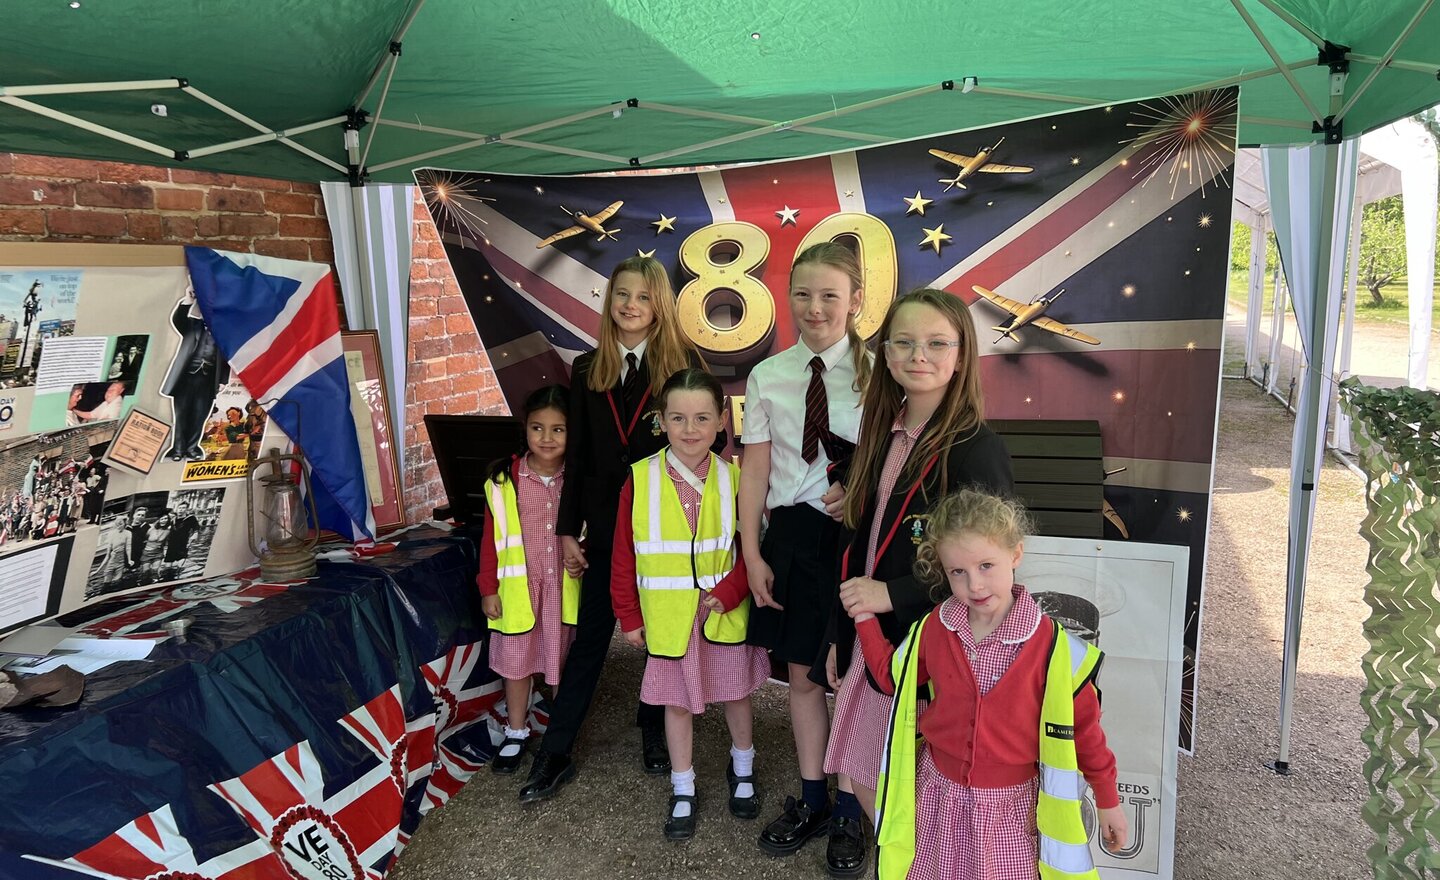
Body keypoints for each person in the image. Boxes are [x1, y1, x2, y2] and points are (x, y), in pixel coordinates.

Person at [817, 288, 1015, 877]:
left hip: (929, 644)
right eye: (902, 342)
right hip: (873, 638)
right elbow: (860, 540)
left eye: (936, 343)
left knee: (911, 782)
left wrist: (894, 594)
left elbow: (991, 566)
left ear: (960, 355)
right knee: (868, 773)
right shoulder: (885, 429)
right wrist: (842, 633)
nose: (917, 354)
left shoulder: (976, 447)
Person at [851, 489, 1127, 879]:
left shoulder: (1054, 648)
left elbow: (1086, 731)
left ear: (1015, 554)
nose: (975, 586)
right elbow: (889, 676)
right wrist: (864, 617)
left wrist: (1108, 799)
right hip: (937, 798)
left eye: (986, 565)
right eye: (957, 572)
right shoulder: (935, 627)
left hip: (1010, 813)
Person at [520, 256, 713, 804]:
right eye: (622, 295)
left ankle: (652, 724)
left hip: (664, 528)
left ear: (661, 306)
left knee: (662, 636)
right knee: (588, 643)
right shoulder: (587, 368)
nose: (631, 305)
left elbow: (707, 445)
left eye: (643, 297)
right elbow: (576, 457)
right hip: (605, 530)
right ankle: (554, 752)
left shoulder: (683, 365)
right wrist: (565, 531)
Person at [741, 242, 872, 863]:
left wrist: (864, 495)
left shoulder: (881, 375)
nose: (814, 308)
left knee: (849, 672)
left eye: (829, 295)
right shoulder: (768, 375)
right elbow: (756, 470)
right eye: (802, 294)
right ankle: (814, 794)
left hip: (853, 539)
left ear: (856, 301)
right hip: (791, 534)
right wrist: (752, 551)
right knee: (800, 672)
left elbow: (898, 461)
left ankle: (852, 810)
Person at [611, 368, 769, 840]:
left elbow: (752, 549)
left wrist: (731, 592)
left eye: (702, 417)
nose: (691, 429)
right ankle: (683, 785)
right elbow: (625, 554)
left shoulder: (737, 477)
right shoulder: (639, 480)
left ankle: (743, 766)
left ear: (722, 420)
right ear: (661, 421)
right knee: (676, 704)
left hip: (724, 615)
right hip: (668, 620)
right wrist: (629, 614)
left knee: (735, 693)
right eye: (678, 418)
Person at [477, 385, 580, 775]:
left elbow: (588, 532)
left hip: (561, 591)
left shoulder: (577, 478)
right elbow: (491, 541)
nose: (547, 438)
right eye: (538, 428)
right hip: (518, 591)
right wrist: (488, 588)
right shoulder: (505, 480)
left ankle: (558, 736)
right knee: (517, 665)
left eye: (558, 429)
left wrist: (580, 557)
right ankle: (516, 731)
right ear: (525, 429)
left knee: (561, 662)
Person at [162, 292, 231, 461]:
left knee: (200, 415)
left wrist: (222, 381)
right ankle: (178, 449)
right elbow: (178, 320)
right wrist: (188, 300)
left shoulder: (224, 335)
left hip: (207, 381)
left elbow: (227, 360)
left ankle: (192, 448)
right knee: (182, 414)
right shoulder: (192, 326)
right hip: (185, 378)